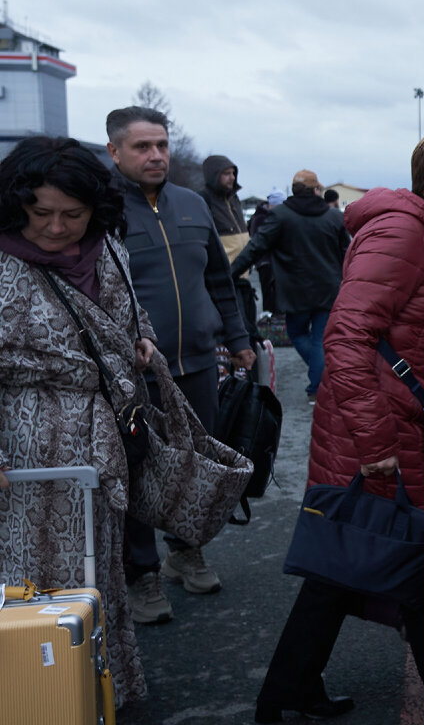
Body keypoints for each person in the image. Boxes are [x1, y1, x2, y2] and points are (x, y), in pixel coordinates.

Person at [255, 124, 424, 724]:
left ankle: (287, 694)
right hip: (379, 428)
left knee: (349, 564)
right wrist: (375, 444)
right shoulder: (402, 232)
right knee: (412, 564)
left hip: (392, 420)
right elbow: (345, 335)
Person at [0, 136, 158, 707]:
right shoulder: (1, 261)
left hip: (100, 432)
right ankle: (34, 689)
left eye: (74, 214)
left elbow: (129, 311)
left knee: (99, 563)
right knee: (29, 564)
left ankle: (99, 686)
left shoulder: (108, 246)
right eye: (41, 213)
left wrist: (140, 338)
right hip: (25, 437)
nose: (58, 227)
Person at [106, 106, 256, 622]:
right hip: (132, 372)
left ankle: (185, 551)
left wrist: (239, 339)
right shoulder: (100, 210)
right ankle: (142, 574)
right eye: (142, 147)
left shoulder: (193, 205)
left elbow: (220, 280)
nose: (155, 155)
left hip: (197, 363)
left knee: (195, 461)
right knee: (136, 470)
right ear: (114, 152)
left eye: (162, 145)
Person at [230, 169, 350, 404]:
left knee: (297, 334)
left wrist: (229, 274)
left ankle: (319, 382)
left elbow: (255, 247)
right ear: (317, 190)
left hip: (295, 289)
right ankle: (320, 382)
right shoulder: (334, 217)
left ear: (293, 191)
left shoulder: (281, 215)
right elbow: (348, 253)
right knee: (320, 339)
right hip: (329, 288)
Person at [200, 154, 257, 339]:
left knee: (247, 325)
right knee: (233, 328)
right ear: (213, 175)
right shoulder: (204, 200)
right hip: (224, 276)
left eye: (233, 173)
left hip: (242, 275)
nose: (232, 177)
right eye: (226, 173)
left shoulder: (234, 199)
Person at [248, 188, 285, 314]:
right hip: (265, 262)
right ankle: (269, 323)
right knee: (269, 296)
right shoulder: (260, 219)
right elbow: (259, 242)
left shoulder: (268, 216)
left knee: (277, 297)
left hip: (274, 261)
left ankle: (275, 322)